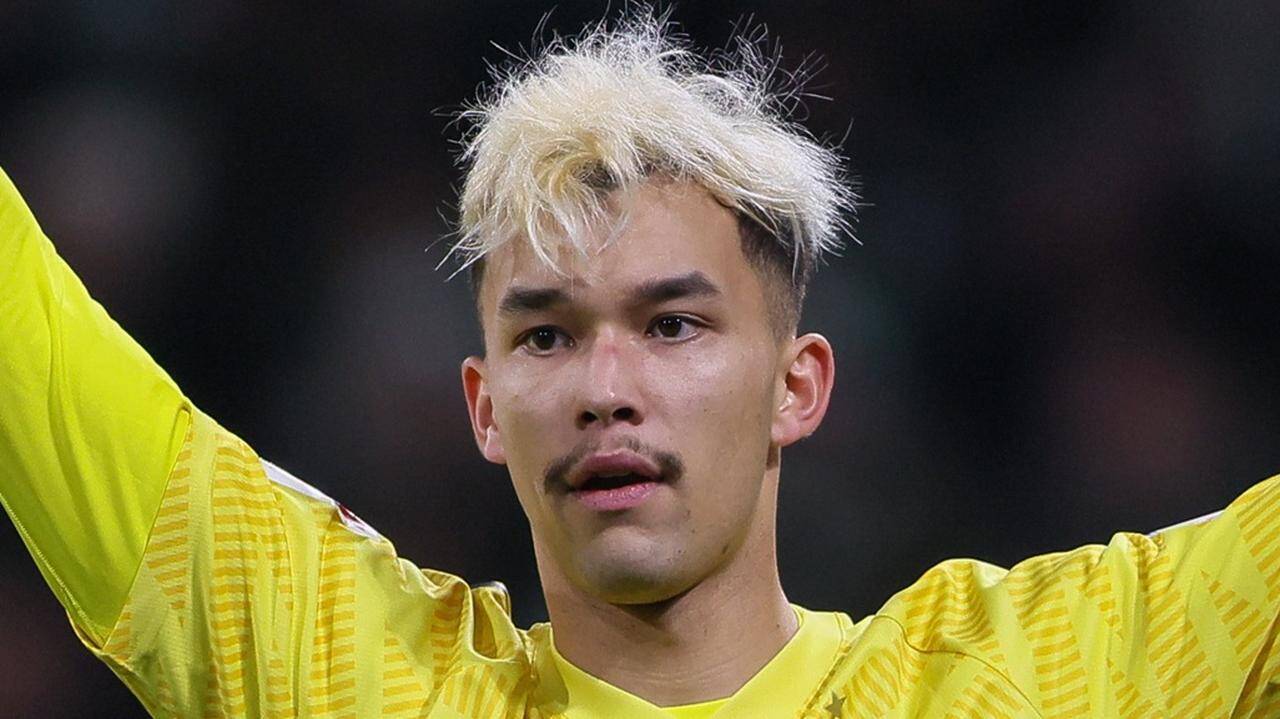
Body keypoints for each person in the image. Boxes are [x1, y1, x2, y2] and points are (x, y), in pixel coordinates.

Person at [2, 12, 1278, 719]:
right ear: (484, 405)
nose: (604, 387)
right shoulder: (366, 684)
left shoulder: (1025, 683)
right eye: (546, 334)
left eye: (672, 324)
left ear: (798, 384)